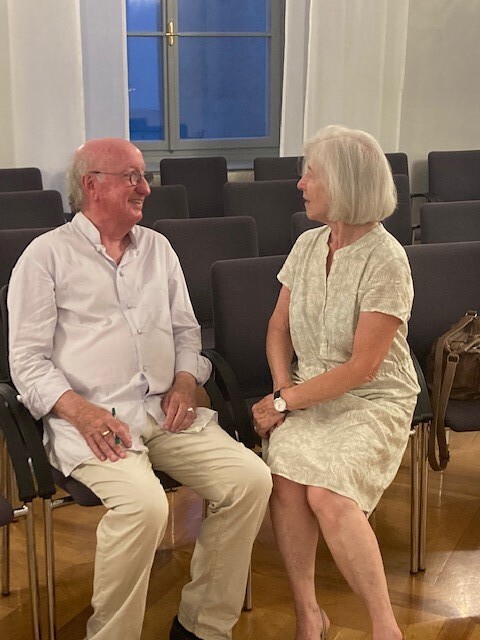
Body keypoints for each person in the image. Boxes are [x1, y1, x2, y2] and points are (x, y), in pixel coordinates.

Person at [8, 137, 272, 640]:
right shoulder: (44, 257)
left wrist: (185, 380)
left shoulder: (157, 248)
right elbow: (27, 361)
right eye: (131, 177)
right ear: (92, 186)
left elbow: (186, 331)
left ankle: (202, 626)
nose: (145, 188)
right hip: (92, 422)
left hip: (164, 411)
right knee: (145, 507)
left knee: (250, 480)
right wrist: (80, 412)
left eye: (143, 176)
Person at [252, 125, 418, 640]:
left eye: (311, 175)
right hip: (305, 392)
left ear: (343, 184)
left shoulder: (387, 259)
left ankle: (384, 627)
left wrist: (284, 400)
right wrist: (283, 392)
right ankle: (309, 614)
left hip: (373, 398)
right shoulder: (307, 244)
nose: (301, 185)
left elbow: (362, 369)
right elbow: (277, 329)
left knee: (328, 495)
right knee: (285, 477)